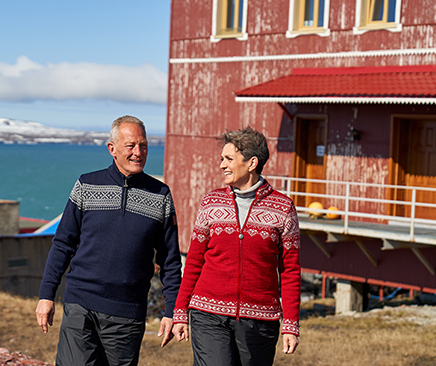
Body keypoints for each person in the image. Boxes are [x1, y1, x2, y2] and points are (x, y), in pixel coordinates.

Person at [35, 115, 183, 366]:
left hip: (127, 314)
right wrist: (46, 295)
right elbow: (62, 244)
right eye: (130, 146)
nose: (138, 153)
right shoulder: (86, 185)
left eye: (143, 145)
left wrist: (173, 311)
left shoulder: (161, 195)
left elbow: (170, 260)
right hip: (80, 306)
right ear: (112, 149)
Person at [171, 127, 300, 366]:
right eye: (222, 159)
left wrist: (291, 324)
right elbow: (194, 262)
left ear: (252, 163)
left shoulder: (283, 208)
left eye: (228, 159)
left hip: (260, 320)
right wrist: (180, 311)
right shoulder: (211, 203)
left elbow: (290, 270)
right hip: (208, 314)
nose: (222, 165)